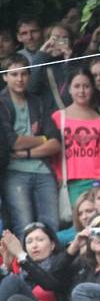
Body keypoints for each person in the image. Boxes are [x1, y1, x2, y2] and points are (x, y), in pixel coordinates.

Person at [0, 53, 61, 236]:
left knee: (51, 225)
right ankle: (25, 264)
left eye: (24, 74)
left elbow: (56, 143)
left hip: (43, 170)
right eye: (14, 74)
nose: (20, 79)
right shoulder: (1, 103)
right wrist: (43, 139)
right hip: (14, 172)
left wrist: (27, 152)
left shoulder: (38, 101)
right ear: (4, 76)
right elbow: (13, 142)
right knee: (23, 225)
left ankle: (53, 265)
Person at [51, 67, 100, 204]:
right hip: (68, 184)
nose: (81, 91)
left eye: (86, 86)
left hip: (97, 185)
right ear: (69, 89)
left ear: (92, 89)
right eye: (77, 86)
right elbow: (53, 154)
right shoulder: (58, 118)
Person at [0, 223, 63, 301]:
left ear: (52, 244)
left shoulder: (61, 263)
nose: (34, 245)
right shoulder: (23, 272)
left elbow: (48, 283)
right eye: (29, 242)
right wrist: (7, 267)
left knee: (13, 281)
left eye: (40, 240)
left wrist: (20, 255)